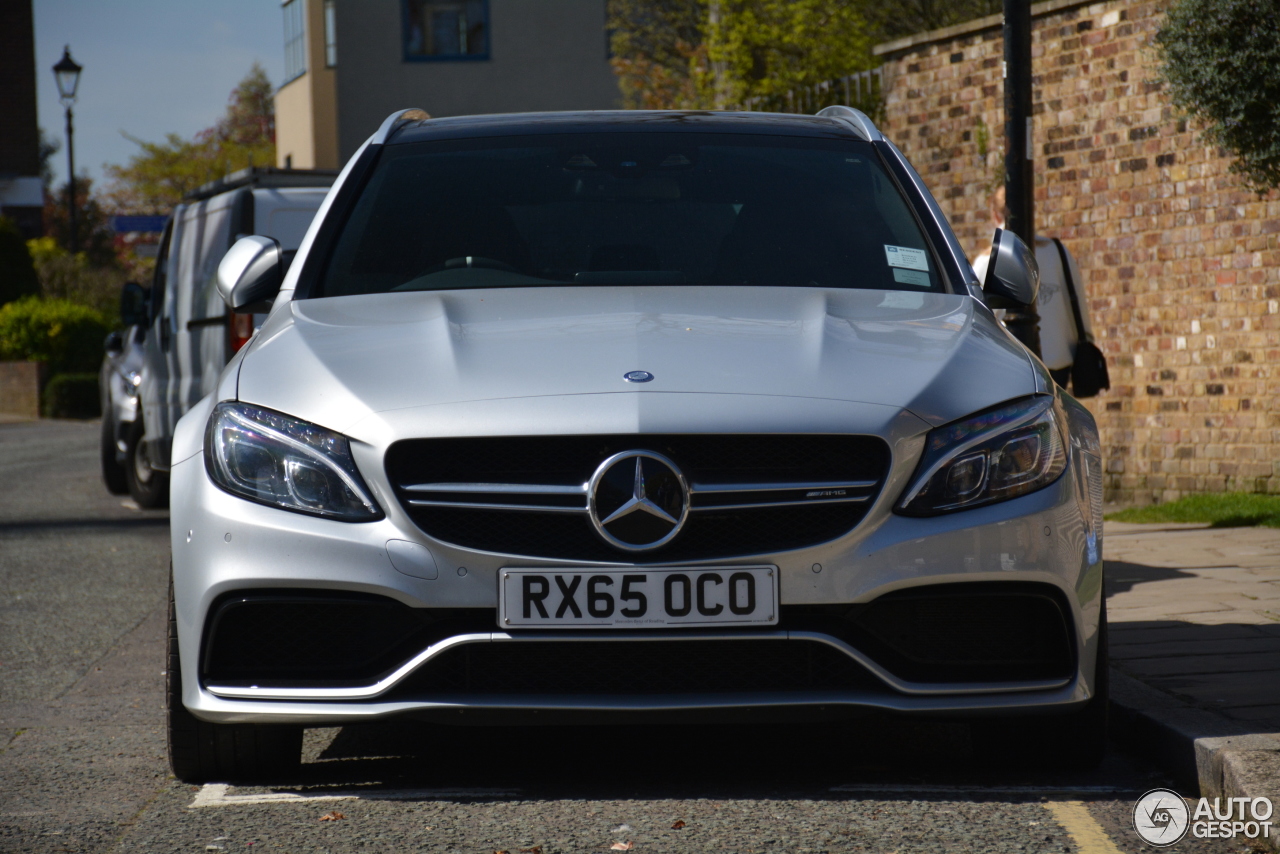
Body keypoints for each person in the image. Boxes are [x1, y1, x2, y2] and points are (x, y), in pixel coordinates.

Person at [971, 186, 1093, 390]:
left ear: (994, 215)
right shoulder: (1058, 251)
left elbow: (979, 323)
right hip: (1060, 362)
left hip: (1012, 368)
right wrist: (1086, 342)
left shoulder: (985, 263)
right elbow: (1078, 302)